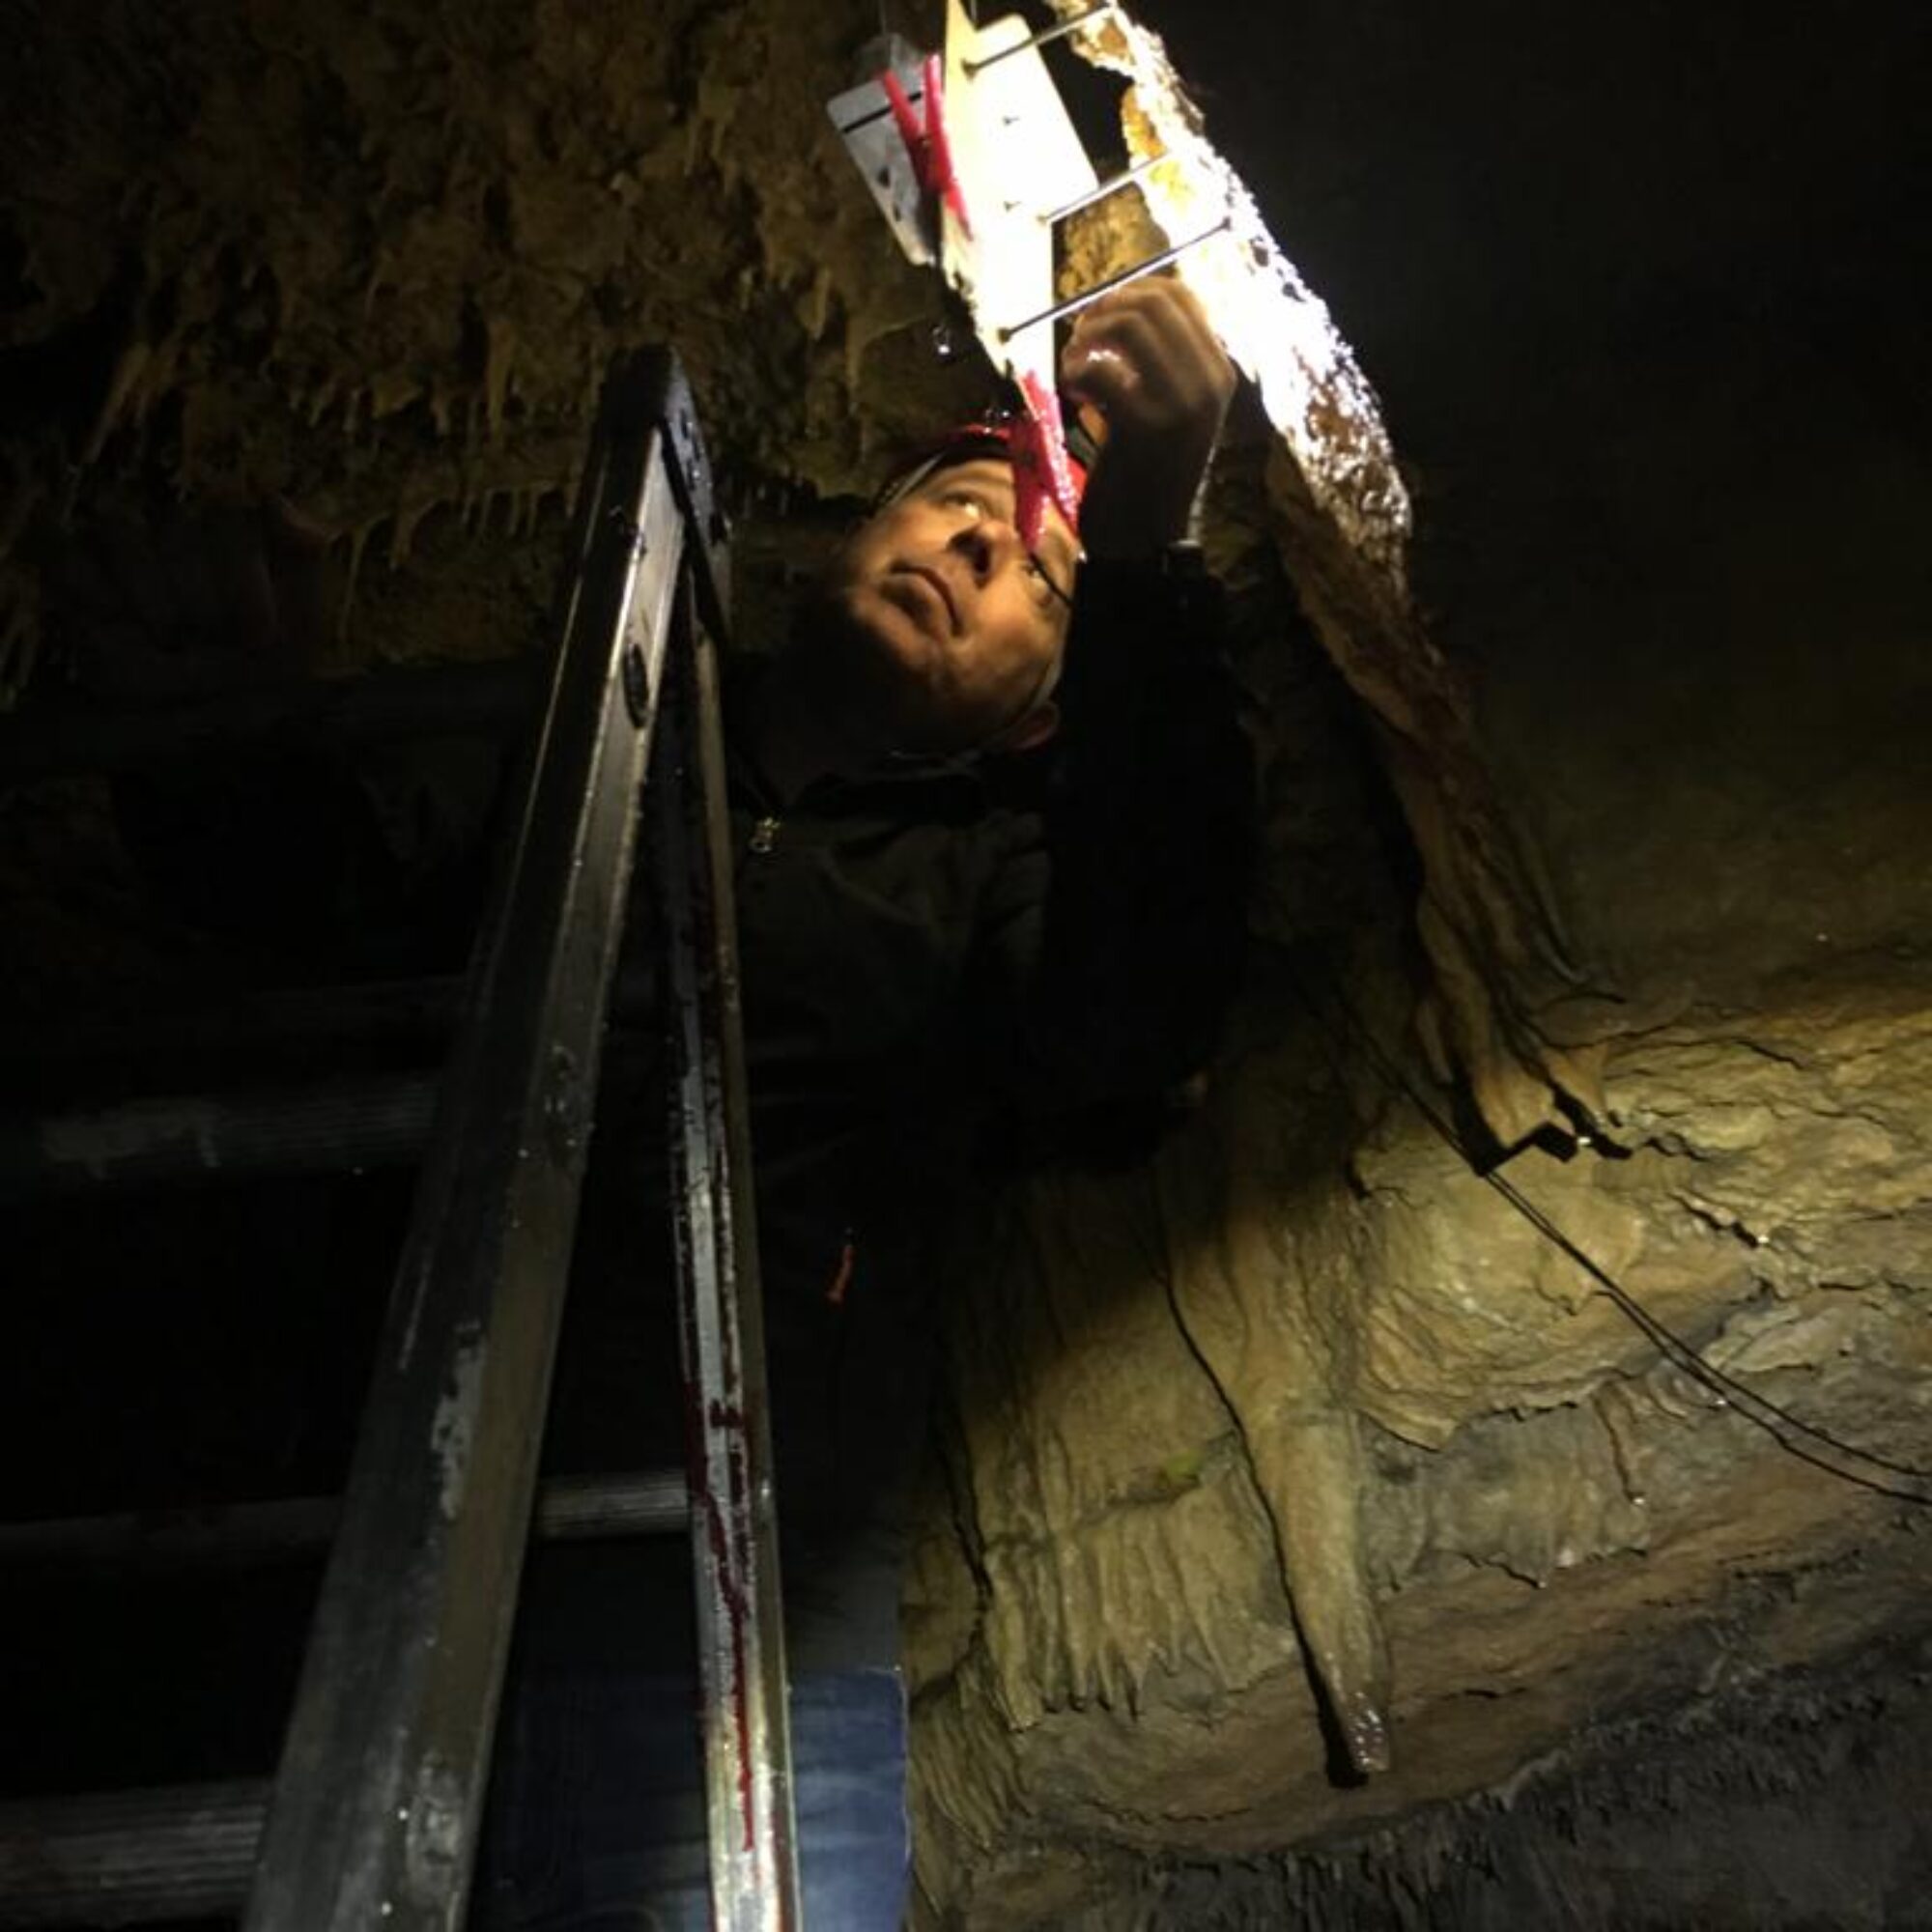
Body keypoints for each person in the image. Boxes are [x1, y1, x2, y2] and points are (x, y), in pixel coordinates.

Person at [479, 277, 1255, 1929]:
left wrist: (1144, 572)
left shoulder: (992, 889)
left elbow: (1131, 1010)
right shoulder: (571, 761)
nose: (975, 552)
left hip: (751, 1627)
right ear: (839, 535)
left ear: (1044, 703)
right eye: (959, 505)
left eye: (1030, 573)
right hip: (408, 1555)